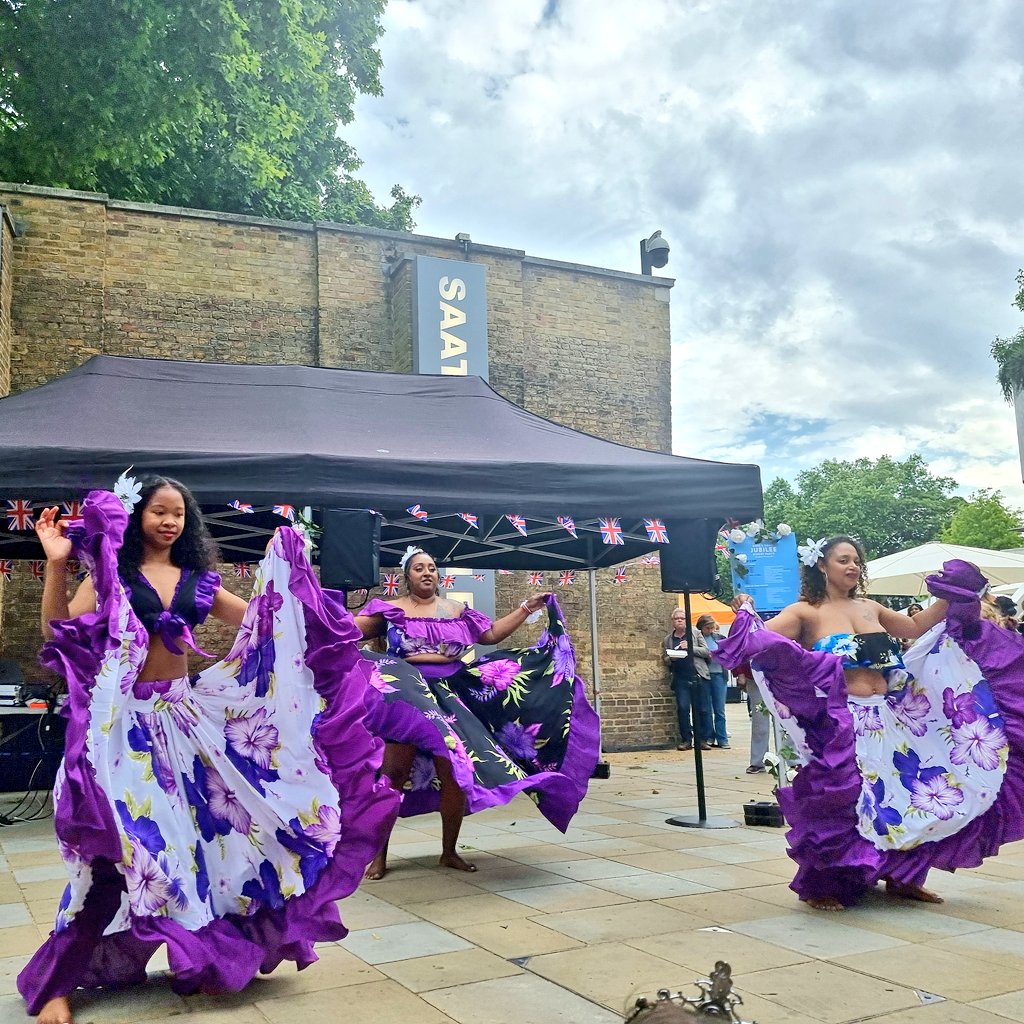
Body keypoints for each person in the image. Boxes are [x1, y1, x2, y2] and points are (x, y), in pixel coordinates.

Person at [20, 478, 398, 1024]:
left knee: (208, 849)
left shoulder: (197, 580)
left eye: (178, 514)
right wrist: (57, 564)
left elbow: (265, 626)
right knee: (120, 850)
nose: (170, 522)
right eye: (159, 511)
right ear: (137, 517)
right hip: (124, 733)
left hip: (185, 723)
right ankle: (56, 979)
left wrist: (327, 625)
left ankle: (196, 955)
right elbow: (57, 630)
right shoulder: (113, 576)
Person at [717, 534, 1024, 912]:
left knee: (907, 796)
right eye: (844, 559)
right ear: (821, 565)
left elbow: (914, 628)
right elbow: (761, 643)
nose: (852, 567)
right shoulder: (803, 613)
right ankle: (824, 883)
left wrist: (952, 594)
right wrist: (745, 610)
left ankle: (903, 877)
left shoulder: (870, 608)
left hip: (891, 716)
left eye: (857, 561)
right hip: (844, 722)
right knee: (847, 801)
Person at [354, 547, 600, 879]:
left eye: (432, 567)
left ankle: (448, 851)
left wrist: (528, 607)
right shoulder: (390, 610)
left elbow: (491, 634)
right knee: (393, 775)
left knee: (454, 775)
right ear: (406, 577)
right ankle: (378, 856)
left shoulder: (456, 610)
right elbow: (347, 631)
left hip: (451, 697)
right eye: (419, 568)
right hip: (407, 699)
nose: (427, 572)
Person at [662, 608, 711, 751]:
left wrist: (690, 647)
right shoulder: (668, 639)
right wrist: (671, 657)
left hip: (698, 675)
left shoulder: (695, 634)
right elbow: (665, 658)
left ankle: (702, 739)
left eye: (682, 618)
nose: (679, 620)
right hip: (680, 678)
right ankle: (686, 740)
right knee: (683, 709)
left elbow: (706, 652)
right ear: (672, 622)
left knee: (702, 709)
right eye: (676, 618)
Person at [730, 593, 769, 773]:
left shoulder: (763, 623)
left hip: (775, 675)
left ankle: (792, 760)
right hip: (754, 676)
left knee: (785, 719)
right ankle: (758, 760)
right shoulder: (738, 626)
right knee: (760, 718)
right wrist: (739, 674)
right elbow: (734, 651)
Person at [696, 614, 730, 749]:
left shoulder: (720, 638)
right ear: (701, 628)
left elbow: (728, 653)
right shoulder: (698, 639)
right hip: (704, 674)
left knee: (719, 708)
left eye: (712, 627)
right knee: (706, 708)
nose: (710, 630)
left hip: (719, 674)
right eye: (707, 628)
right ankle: (709, 736)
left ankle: (722, 738)